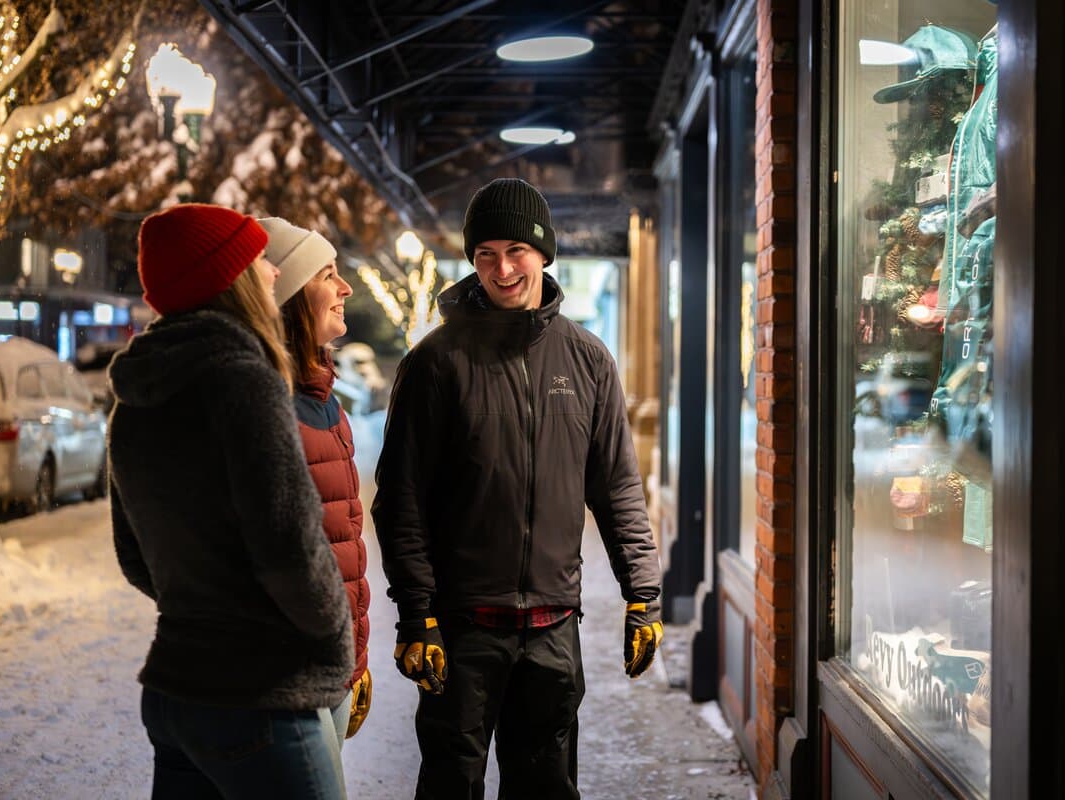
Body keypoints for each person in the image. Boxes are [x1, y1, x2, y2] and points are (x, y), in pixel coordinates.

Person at [372, 178, 664, 800]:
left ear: (544, 253)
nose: (501, 269)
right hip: (461, 629)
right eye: (484, 255)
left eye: (515, 251)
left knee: (546, 789)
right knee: (451, 785)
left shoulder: (587, 360)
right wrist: (416, 615)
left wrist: (642, 593)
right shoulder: (435, 364)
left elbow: (616, 487)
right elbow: (401, 500)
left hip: (553, 629)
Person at [108, 203, 354, 799]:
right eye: (257, 262)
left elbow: (135, 557)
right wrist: (333, 635)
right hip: (261, 693)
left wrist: (205, 610)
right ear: (232, 280)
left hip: (176, 688)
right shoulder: (245, 381)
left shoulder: (136, 396)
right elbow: (290, 549)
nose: (272, 273)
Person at [257, 217, 372, 789]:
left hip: (330, 666)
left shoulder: (326, 401)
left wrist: (355, 659)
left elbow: (340, 541)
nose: (346, 287)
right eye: (329, 275)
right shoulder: (269, 403)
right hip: (289, 675)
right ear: (292, 295)